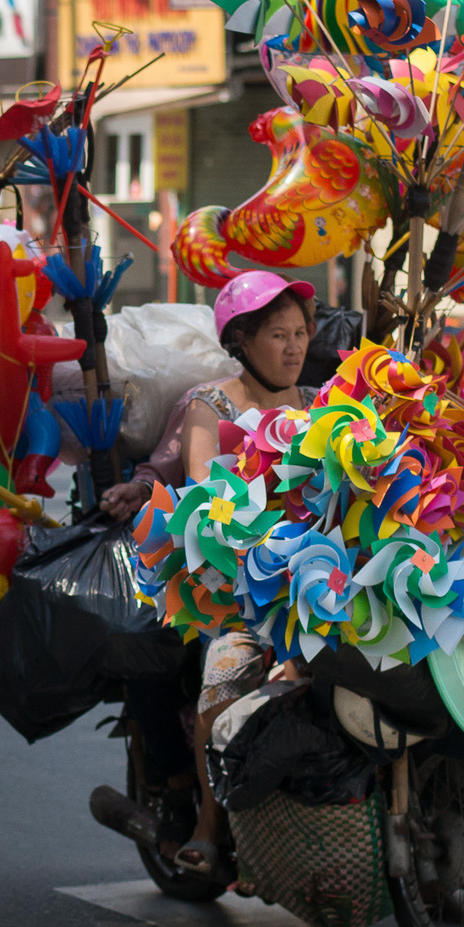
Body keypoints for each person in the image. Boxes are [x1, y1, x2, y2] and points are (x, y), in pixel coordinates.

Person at [89, 271, 317, 876]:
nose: (293, 347)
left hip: (323, 581)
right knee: (224, 676)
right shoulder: (209, 405)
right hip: (240, 586)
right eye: (277, 334)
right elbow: (209, 497)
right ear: (241, 340)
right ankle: (210, 827)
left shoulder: (324, 404)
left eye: (300, 333)